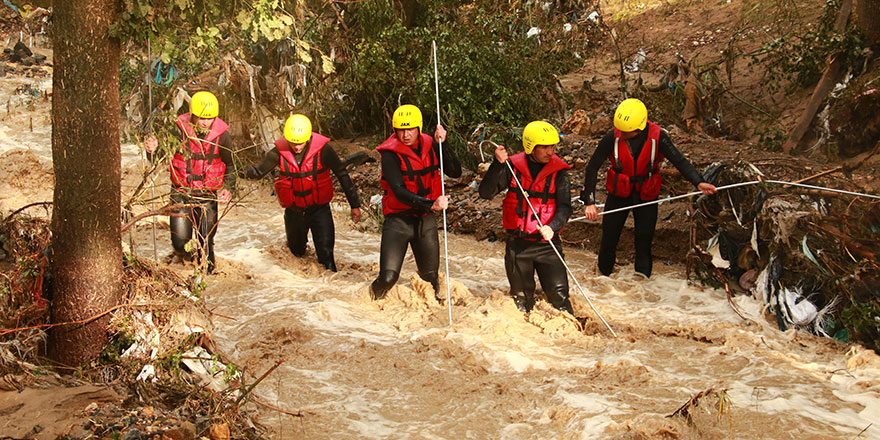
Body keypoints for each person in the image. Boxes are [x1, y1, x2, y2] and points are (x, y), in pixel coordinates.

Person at [580, 98, 717, 277]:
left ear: (640, 127)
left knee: (643, 242)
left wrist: (698, 181)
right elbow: (592, 168)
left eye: (627, 131)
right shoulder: (612, 137)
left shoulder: (658, 136)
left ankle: (642, 284)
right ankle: (602, 280)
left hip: (646, 194)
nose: (622, 133)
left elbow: (679, 160)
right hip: (619, 194)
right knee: (608, 240)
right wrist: (589, 201)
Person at [241, 114, 361, 272]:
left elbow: (342, 174)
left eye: (301, 143)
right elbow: (257, 172)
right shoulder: (277, 152)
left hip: (320, 211)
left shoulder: (324, 150)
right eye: (293, 143)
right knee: (296, 256)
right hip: (294, 213)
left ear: (309, 137)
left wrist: (354, 205)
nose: (297, 147)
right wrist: (232, 171)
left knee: (327, 262)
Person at [479, 121, 574, 314]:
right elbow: (485, 193)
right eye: (544, 147)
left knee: (560, 301)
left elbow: (565, 208)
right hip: (519, 246)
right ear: (531, 147)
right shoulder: (512, 167)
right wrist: (497, 165)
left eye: (552, 147)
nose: (550, 151)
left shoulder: (560, 173)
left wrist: (553, 227)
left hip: (548, 245)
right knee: (521, 304)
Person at [370, 104, 462, 301]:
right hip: (398, 221)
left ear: (418, 128)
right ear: (395, 131)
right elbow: (399, 191)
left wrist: (443, 144)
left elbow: (455, 172)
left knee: (430, 280)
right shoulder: (390, 155)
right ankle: (367, 303)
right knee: (388, 278)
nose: (405, 135)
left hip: (424, 221)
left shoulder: (431, 144)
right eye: (401, 130)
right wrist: (431, 204)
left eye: (410, 129)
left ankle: (431, 317)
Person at [143, 91, 237, 274]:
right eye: (201, 117)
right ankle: (183, 267)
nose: (205, 122)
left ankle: (206, 276)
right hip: (181, 193)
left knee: (206, 244)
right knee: (180, 243)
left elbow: (230, 165)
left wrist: (228, 187)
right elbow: (160, 156)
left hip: (207, 195)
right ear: (193, 115)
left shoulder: (223, 136)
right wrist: (152, 149)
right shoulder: (178, 130)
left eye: (209, 118)